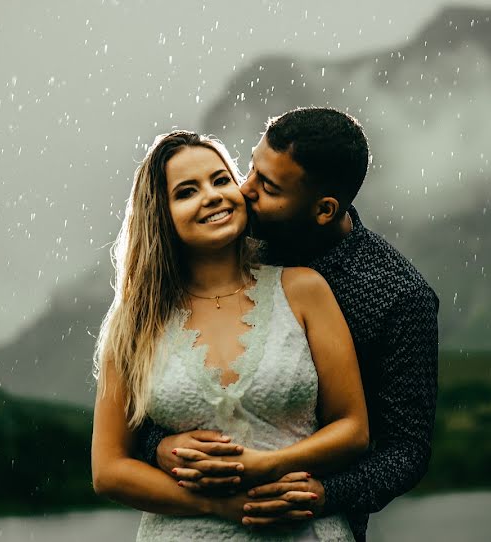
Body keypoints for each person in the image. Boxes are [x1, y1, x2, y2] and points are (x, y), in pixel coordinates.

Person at [138, 108, 440, 542]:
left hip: (310, 526)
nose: (245, 190)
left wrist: (323, 494)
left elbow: (407, 449)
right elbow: (170, 385)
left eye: (268, 187)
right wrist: (158, 447)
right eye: (252, 169)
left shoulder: (398, 296)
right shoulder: (229, 240)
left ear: (324, 209)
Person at [90, 130, 369, 540]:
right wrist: (216, 504)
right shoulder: (135, 324)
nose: (213, 196)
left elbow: (352, 428)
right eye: (187, 192)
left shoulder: (304, 290)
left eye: (221, 180)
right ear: (161, 214)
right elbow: (109, 470)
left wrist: (269, 465)